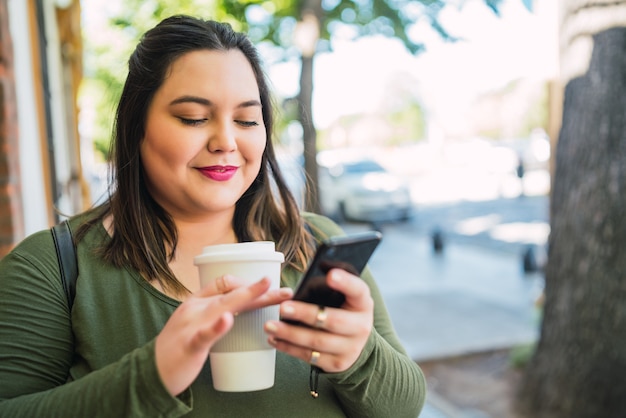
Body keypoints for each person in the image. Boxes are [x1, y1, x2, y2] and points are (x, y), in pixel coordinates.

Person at [0, 15, 426, 417]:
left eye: (246, 119)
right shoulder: (53, 267)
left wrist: (359, 355)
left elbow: (404, 406)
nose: (226, 140)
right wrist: (151, 376)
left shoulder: (312, 242)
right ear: (137, 126)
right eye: (194, 118)